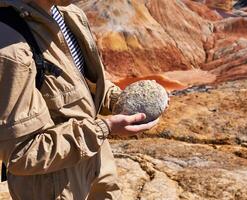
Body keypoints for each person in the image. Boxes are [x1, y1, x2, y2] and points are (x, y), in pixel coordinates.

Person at [0, 0, 159, 199]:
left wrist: (120, 100)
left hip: (96, 164)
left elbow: (81, 83)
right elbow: (22, 154)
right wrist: (104, 128)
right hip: (53, 186)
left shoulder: (68, 14)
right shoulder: (9, 50)